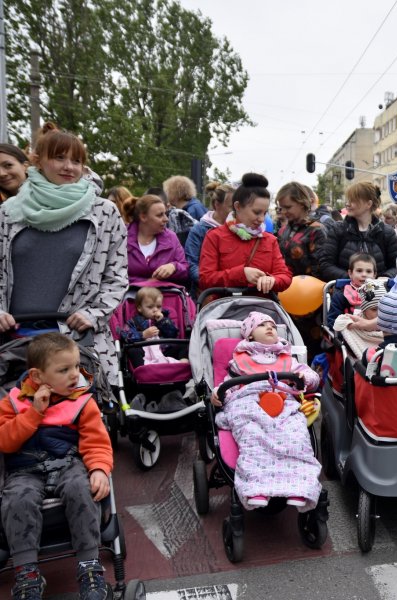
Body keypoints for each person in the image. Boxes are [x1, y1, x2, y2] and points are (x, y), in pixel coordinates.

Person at [0, 123, 128, 386]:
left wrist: (94, 313)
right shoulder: (9, 212)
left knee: (80, 422)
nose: (69, 167)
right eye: (59, 157)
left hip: (77, 341)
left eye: (77, 160)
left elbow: (117, 276)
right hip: (13, 341)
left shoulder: (104, 212)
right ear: (37, 161)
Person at [0, 333, 113, 599]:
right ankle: (27, 574)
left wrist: (99, 468)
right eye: (64, 370)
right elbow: (5, 442)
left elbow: (96, 442)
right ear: (37, 377)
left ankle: (89, 565)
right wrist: (34, 413)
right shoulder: (13, 402)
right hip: (25, 467)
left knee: (81, 488)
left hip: (68, 462)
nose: (75, 374)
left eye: (75, 366)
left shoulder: (83, 401)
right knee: (17, 499)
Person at [212, 312, 321, 510]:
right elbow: (227, 387)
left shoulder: (287, 359)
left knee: (296, 435)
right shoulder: (240, 362)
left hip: (282, 401)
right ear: (249, 335)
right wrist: (217, 395)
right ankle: (256, 487)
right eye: (262, 325)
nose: (270, 327)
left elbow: (311, 377)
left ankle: (299, 487)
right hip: (248, 400)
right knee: (252, 437)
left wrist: (303, 377)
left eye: (272, 325)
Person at [199, 173, 293, 295]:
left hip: (262, 309)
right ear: (237, 206)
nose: (261, 219)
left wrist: (271, 279)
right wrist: (241, 274)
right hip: (225, 309)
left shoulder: (269, 240)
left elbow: (285, 276)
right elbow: (205, 279)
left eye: (264, 213)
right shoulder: (215, 236)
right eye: (256, 212)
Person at [317, 181, 397, 281]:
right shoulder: (338, 229)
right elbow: (325, 264)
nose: (347, 204)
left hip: (378, 293)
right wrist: (351, 278)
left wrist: (385, 278)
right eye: (348, 200)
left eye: (353, 200)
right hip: (344, 293)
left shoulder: (387, 232)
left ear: (368, 204)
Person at [124, 194, 189, 285]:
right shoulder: (122, 237)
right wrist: (145, 284)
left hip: (165, 294)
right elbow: (113, 273)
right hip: (129, 294)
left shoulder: (171, 238)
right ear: (143, 217)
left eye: (165, 214)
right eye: (160, 215)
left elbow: (185, 270)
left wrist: (174, 267)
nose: (166, 219)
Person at [185, 182, 234, 294]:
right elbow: (191, 264)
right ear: (217, 204)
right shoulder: (199, 230)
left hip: (234, 291)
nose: (235, 211)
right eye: (231, 207)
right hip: (207, 292)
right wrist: (213, 281)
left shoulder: (239, 229)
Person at [118, 286, 187, 366]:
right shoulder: (133, 321)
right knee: (133, 351)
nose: (155, 310)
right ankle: (142, 369)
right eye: (150, 307)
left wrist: (163, 322)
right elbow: (125, 335)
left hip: (163, 350)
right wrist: (142, 335)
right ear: (140, 308)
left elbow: (173, 334)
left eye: (158, 306)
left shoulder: (164, 319)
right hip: (144, 352)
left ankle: (183, 365)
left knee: (183, 344)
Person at [276, 182, 325, 280]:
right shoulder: (283, 230)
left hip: (307, 288)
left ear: (302, 203)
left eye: (288, 207)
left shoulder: (316, 230)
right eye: (282, 208)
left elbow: (320, 266)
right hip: (283, 285)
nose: (284, 212)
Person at [326, 253, 378, 328]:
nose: (364, 274)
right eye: (359, 271)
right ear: (350, 273)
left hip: (373, 332)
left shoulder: (380, 295)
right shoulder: (341, 295)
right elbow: (333, 321)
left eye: (368, 271)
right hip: (349, 332)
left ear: (374, 275)